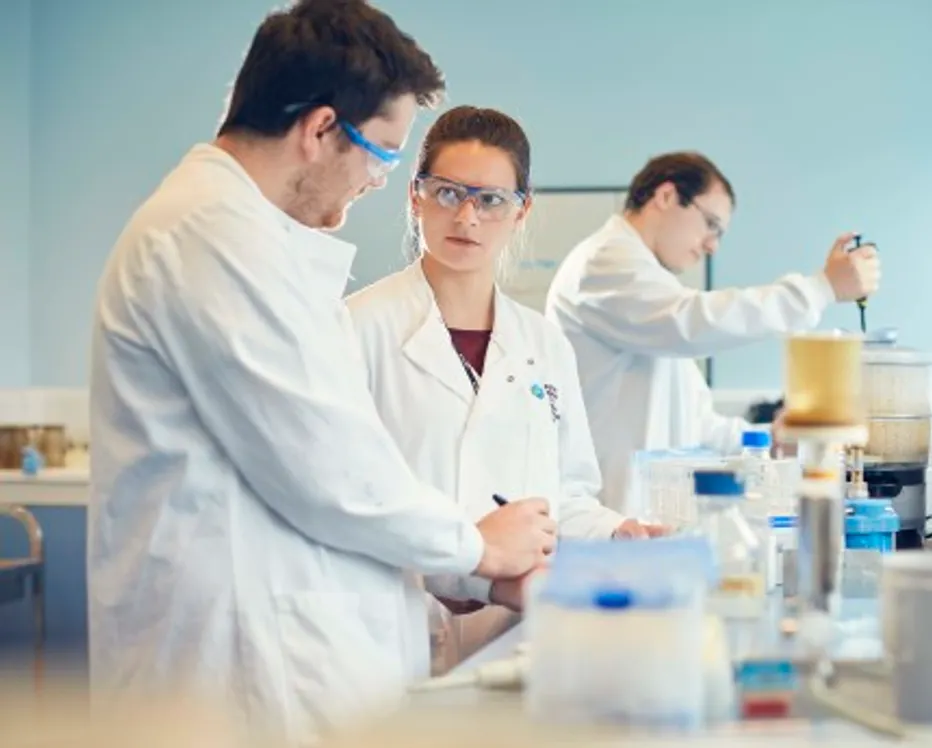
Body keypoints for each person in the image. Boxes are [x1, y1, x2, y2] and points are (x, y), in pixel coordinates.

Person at [86, 2, 554, 742]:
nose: (376, 181)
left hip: (303, 653)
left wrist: (469, 568)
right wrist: (479, 547)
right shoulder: (211, 234)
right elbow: (329, 470)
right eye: (386, 155)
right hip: (240, 676)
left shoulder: (251, 235)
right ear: (321, 130)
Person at [345, 106, 665, 670]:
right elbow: (350, 499)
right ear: (414, 196)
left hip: (519, 623)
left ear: (521, 212)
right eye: (447, 192)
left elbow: (563, 496)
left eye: (491, 200)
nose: (467, 216)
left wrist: (618, 533)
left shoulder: (543, 342)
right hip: (398, 619)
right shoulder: (357, 328)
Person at [545, 152, 880, 513]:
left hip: (643, 519)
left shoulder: (651, 295)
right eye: (711, 225)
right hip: (602, 519)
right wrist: (821, 288)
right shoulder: (602, 263)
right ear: (667, 196)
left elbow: (698, 426)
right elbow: (690, 322)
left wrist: (772, 440)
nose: (712, 245)